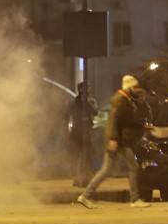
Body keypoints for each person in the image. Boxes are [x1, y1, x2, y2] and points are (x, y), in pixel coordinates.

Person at [77, 75, 152, 209]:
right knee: (133, 167)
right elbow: (113, 120)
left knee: (106, 170)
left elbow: (127, 122)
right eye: (134, 87)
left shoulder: (126, 100)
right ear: (128, 87)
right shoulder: (120, 100)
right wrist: (112, 139)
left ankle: (85, 196)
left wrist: (142, 127)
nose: (137, 89)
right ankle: (134, 199)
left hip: (119, 140)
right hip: (119, 141)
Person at [64, 81, 98, 188]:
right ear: (79, 89)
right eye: (84, 88)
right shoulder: (72, 103)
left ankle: (85, 178)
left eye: (87, 88)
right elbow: (66, 117)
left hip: (87, 132)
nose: (86, 90)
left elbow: (95, 112)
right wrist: (66, 132)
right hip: (76, 132)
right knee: (75, 157)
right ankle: (76, 178)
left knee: (86, 156)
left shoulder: (91, 101)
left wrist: (87, 103)